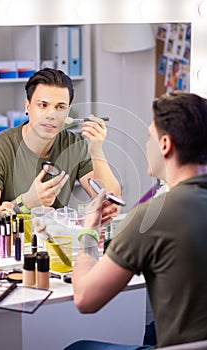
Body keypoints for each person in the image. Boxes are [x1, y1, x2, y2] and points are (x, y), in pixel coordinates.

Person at [65, 91, 207, 349]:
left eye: (149, 137)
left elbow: (85, 298)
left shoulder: (154, 216)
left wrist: (88, 232)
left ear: (165, 144)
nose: (146, 145)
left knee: (78, 347)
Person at [0, 68, 121, 214]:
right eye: (43, 105)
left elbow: (110, 201)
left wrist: (97, 151)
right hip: (11, 237)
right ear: (27, 106)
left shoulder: (75, 146)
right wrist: (25, 203)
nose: (51, 115)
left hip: (55, 235)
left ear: (67, 112)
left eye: (60, 107)